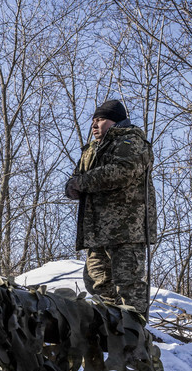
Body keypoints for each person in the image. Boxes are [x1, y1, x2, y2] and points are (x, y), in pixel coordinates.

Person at [64, 99, 157, 319]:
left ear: (116, 121)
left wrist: (83, 183)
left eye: (101, 120)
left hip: (126, 229)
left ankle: (134, 336)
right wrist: (71, 187)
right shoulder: (91, 150)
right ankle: (113, 329)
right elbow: (76, 177)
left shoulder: (131, 141)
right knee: (96, 281)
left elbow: (122, 171)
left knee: (128, 284)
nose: (94, 125)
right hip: (97, 232)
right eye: (93, 120)